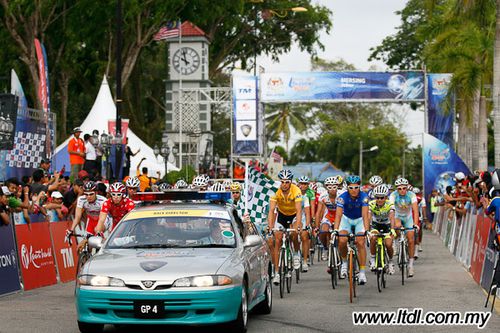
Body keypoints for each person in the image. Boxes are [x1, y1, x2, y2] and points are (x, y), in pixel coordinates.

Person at [267, 169, 303, 285]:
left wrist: (297, 226)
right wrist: (270, 227)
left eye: (287, 182)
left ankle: (297, 253)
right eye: (282, 182)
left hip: (293, 215)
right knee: (277, 240)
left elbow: (298, 211)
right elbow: (272, 211)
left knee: (294, 233)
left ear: (291, 182)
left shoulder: (296, 190)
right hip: (281, 215)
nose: (284, 184)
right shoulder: (275, 191)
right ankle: (277, 272)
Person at [334, 175, 370, 284]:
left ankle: (362, 272)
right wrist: (335, 230)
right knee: (342, 240)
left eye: (356, 187)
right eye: (351, 188)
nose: (354, 190)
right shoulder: (342, 197)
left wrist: (367, 231)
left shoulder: (364, 197)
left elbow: (365, 216)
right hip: (346, 219)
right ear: (347, 188)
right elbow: (338, 215)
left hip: (359, 220)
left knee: (360, 242)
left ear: (360, 187)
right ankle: (344, 263)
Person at [389, 177, 419, 277]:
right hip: (397, 216)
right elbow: (391, 211)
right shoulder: (393, 195)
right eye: (399, 189)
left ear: (407, 188)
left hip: (408, 217)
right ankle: (397, 242)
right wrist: (392, 227)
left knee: (411, 239)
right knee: (397, 226)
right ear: (396, 189)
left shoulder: (412, 195)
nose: (402, 190)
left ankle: (410, 265)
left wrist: (415, 224)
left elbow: (415, 210)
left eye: (404, 188)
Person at [66, 181, 107, 251]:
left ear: (96, 193)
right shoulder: (81, 199)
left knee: (97, 234)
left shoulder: (103, 200)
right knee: (86, 244)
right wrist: (71, 230)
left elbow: (102, 219)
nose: (88, 197)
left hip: (103, 220)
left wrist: (98, 231)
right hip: (91, 219)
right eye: (86, 194)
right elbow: (77, 217)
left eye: (91, 194)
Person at [368, 184, 396, 275]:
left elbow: (392, 218)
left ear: (386, 197)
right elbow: (368, 218)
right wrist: (367, 230)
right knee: (373, 238)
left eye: (382, 198)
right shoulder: (371, 204)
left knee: (388, 244)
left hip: (387, 225)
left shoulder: (390, 204)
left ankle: (391, 262)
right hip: (376, 225)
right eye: (377, 198)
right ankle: (372, 259)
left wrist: (392, 229)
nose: (379, 200)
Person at [315, 176, 342, 262]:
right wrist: (316, 227)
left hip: (340, 215)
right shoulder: (323, 196)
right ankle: (325, 248)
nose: (332, 189)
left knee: (341, 235)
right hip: (329, 216)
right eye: (330, 187)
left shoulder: (342, 195)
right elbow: (318, 212)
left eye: (335, 187)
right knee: (323, 231)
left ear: (338, 187)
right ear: (326, 188)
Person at [297, 176, 312, 272]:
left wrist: (308, 224)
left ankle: (305, 261)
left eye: (305, 184)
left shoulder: (307, 196)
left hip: (302, 217)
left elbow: (307, 212)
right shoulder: (294, 193)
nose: (303, 186)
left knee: (305, 236)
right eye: (301, 183)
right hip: (292, 217)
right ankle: (295, 254)